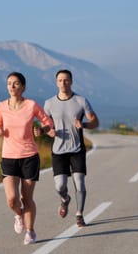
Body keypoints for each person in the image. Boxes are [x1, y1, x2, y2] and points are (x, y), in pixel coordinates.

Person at [0, 72, 55, 245]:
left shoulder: (31, 105)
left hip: (29, 156)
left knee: (26, 198)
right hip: (8, 157)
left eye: (15, 83)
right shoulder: (1, 106)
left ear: (23, 87)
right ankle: (18, 214)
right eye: (9, 83)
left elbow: (48, 122)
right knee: (12, 199)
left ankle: (30, 231)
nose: (12, 87)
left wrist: (41, 130)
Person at [38, 69, 99, 227]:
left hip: (77, 149)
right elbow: (46, 124)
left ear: (71, 81)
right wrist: (46, 131)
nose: (63, 83)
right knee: (60, 186)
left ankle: (79, 215)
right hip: (58, 150)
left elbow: (95, 122)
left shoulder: (81, 101)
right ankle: (65, 200)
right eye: (60, 80)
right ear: (56, 82)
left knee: (79, 182)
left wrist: (84, 124)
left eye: (66, 80)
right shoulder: (49, 103)